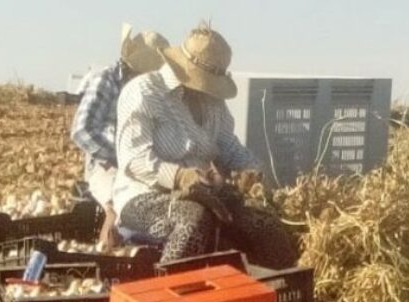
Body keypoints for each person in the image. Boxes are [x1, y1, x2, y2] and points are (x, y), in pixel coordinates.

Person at [113, 24, 298, 268]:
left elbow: (228, 145)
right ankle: (168, 296)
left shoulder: (213, 103)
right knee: (193, 222)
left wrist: (251, 170)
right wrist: (179, 176)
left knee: (267, 226)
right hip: (144, 196)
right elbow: (134, 159)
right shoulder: (144, 92)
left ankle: (276, 294)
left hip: (204, 196)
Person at [71, 24, 168, 249]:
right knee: (118, 208)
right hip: (108, 163)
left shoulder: (152, 90)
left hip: (142, 161)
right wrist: (121, 156)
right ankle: (108, 260)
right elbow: (82, 130)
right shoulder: (107, 80)